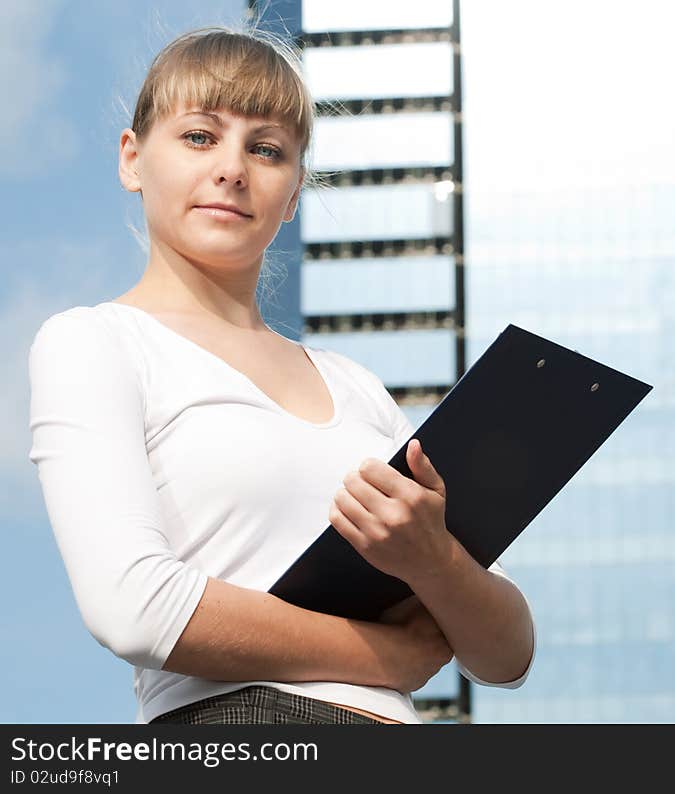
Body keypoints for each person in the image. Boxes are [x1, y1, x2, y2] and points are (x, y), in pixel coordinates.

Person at [27, 23, 536, 726]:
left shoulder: (357, 386)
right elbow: (133, 605)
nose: (233, 168)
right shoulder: (96, 343)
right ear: (133, 159)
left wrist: (435, 562)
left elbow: (506, 656)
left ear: (293, 193)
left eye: (266, 150)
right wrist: (386, 658)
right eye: (200, 137)